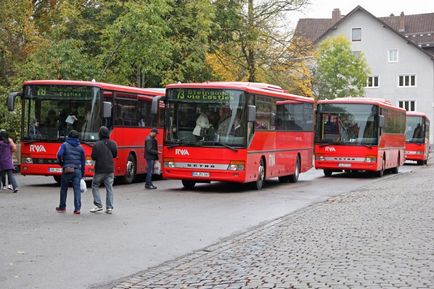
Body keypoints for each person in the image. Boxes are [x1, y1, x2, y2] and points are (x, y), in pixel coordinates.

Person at [56, 130, 85, 214]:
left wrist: (62, 164)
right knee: (77, 189)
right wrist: (82, 174)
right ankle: (77, 209)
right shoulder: (81, 147)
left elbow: (59, 154)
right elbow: (83, 162)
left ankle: (62, 207)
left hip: (67, 169)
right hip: (77, 170)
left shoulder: (64, 145)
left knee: (64, 188)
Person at [90, 126, 118, 214]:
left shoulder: (96, 144)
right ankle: (109, 207)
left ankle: (98, 205)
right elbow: (115, 154)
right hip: (110, 169)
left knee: (95, 186)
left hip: (99, 169)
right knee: (109, 188)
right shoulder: (113, 143)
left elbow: (93, 157)